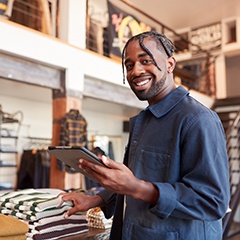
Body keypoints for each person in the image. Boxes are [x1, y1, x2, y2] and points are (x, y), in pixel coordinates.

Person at [59, 31, 230, 240]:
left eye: (146, 60)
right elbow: (136, 179)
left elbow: (212, 202)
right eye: (129, 65)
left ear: (170, 64)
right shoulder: (144, 120)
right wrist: (97, 199)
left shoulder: (198, 119)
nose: (136, 71)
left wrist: (136, 187)